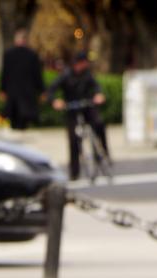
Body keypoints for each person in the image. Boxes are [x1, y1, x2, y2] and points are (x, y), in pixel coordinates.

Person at [47, 51, 109, 181]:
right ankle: (74, 171)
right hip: (71, 108)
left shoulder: (87, 74)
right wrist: (55, 101)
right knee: (73, 139)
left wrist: (98, 95)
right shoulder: (66, 74)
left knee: (98, 124)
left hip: (86, 105)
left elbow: (96, 86)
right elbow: (52, 89)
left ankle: (104, 152)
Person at [0, 28, 45, 130]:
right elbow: (37, 74)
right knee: (22, 117)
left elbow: (4, 73)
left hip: (16, 91)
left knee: (17, 116)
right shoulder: (31, 54)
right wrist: (41, 90)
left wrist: (2, 89)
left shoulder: (9, 54)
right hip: (25, 92)